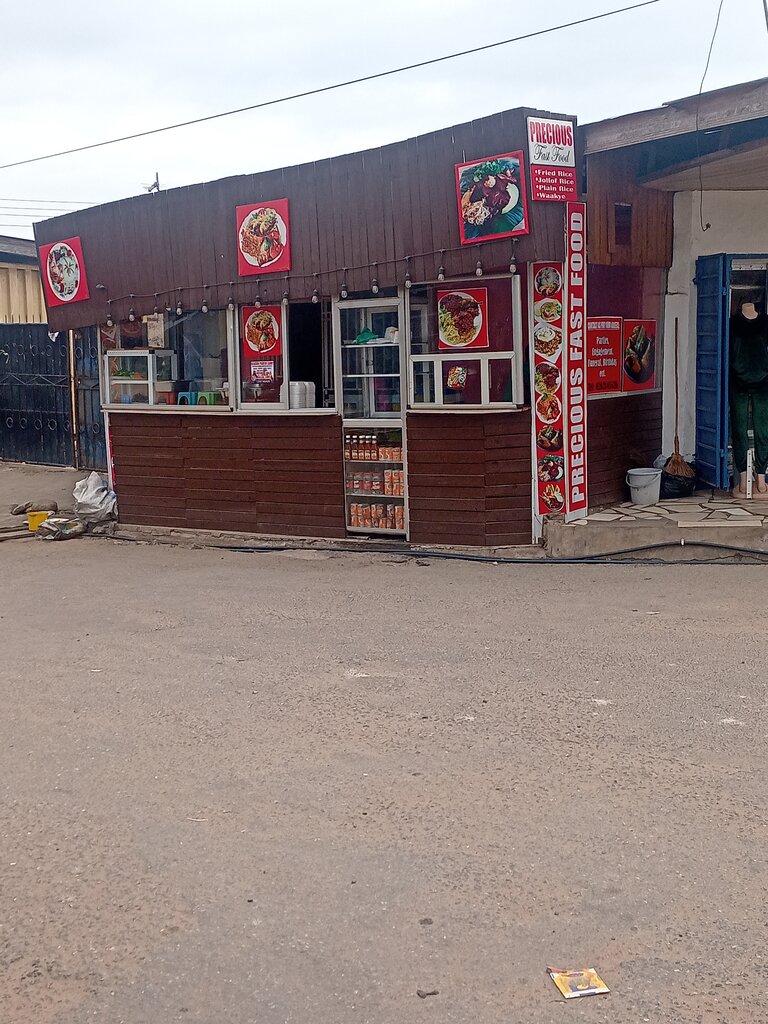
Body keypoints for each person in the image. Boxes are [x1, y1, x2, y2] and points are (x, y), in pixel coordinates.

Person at [729, 294, 768, 497]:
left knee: (764, 431)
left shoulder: (765, 321)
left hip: (763, 382)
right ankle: (744, 477)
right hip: (738, 382)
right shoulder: (732, 323)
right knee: (739, 429)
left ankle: (761, 477)